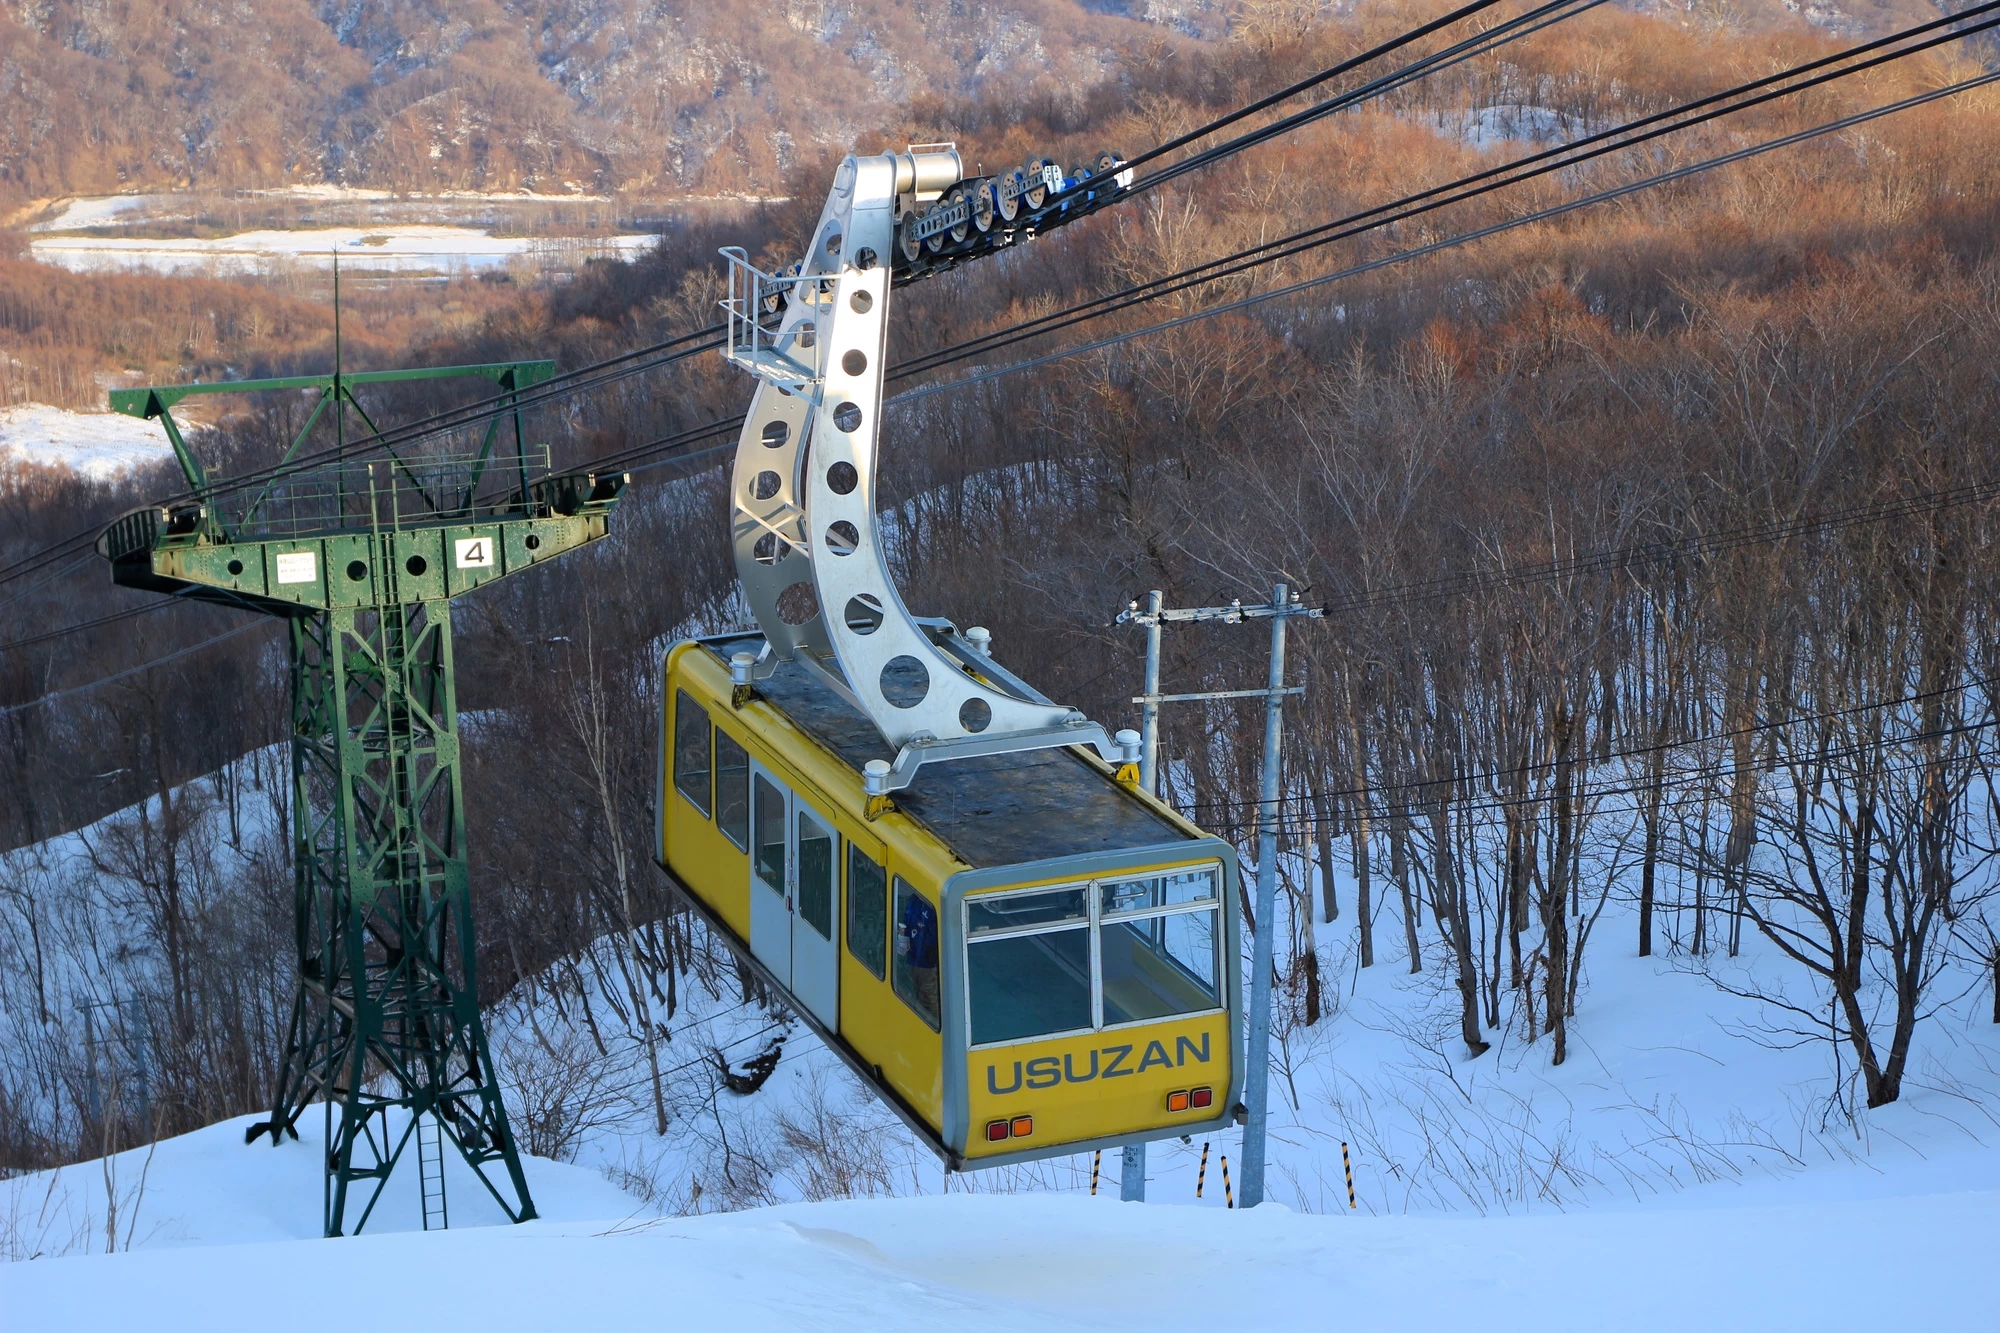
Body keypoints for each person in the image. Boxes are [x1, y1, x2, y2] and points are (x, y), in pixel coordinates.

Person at [896, 887, 940, 1024]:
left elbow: (935, 938)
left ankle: (938, 1030)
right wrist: (903, 934)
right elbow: (907, 921)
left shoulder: (933, 907)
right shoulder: (914, 899)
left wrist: (913, 935)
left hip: (928, 963)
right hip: (913, 958)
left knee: (929, 1000)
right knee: (919, 996)